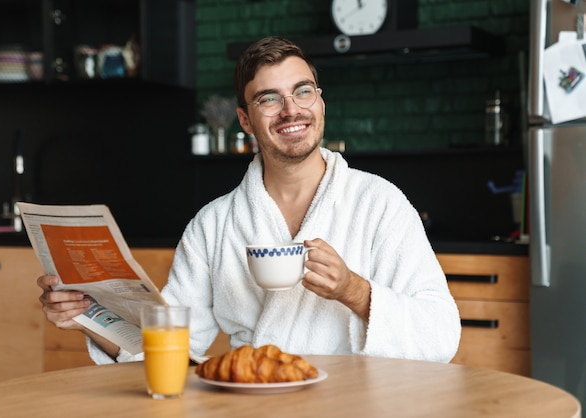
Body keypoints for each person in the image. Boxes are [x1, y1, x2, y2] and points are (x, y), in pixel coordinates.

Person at [37, 36, 461, 365]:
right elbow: (171, 345)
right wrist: (90, 318)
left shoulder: (380, 204)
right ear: (245, 119)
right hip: (253, 400)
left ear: (322, 102)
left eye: (303, 91)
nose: (291, 110)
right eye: (269, 99)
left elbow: (441, 335)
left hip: (357, 402)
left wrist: (355, 291)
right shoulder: (214, 224)